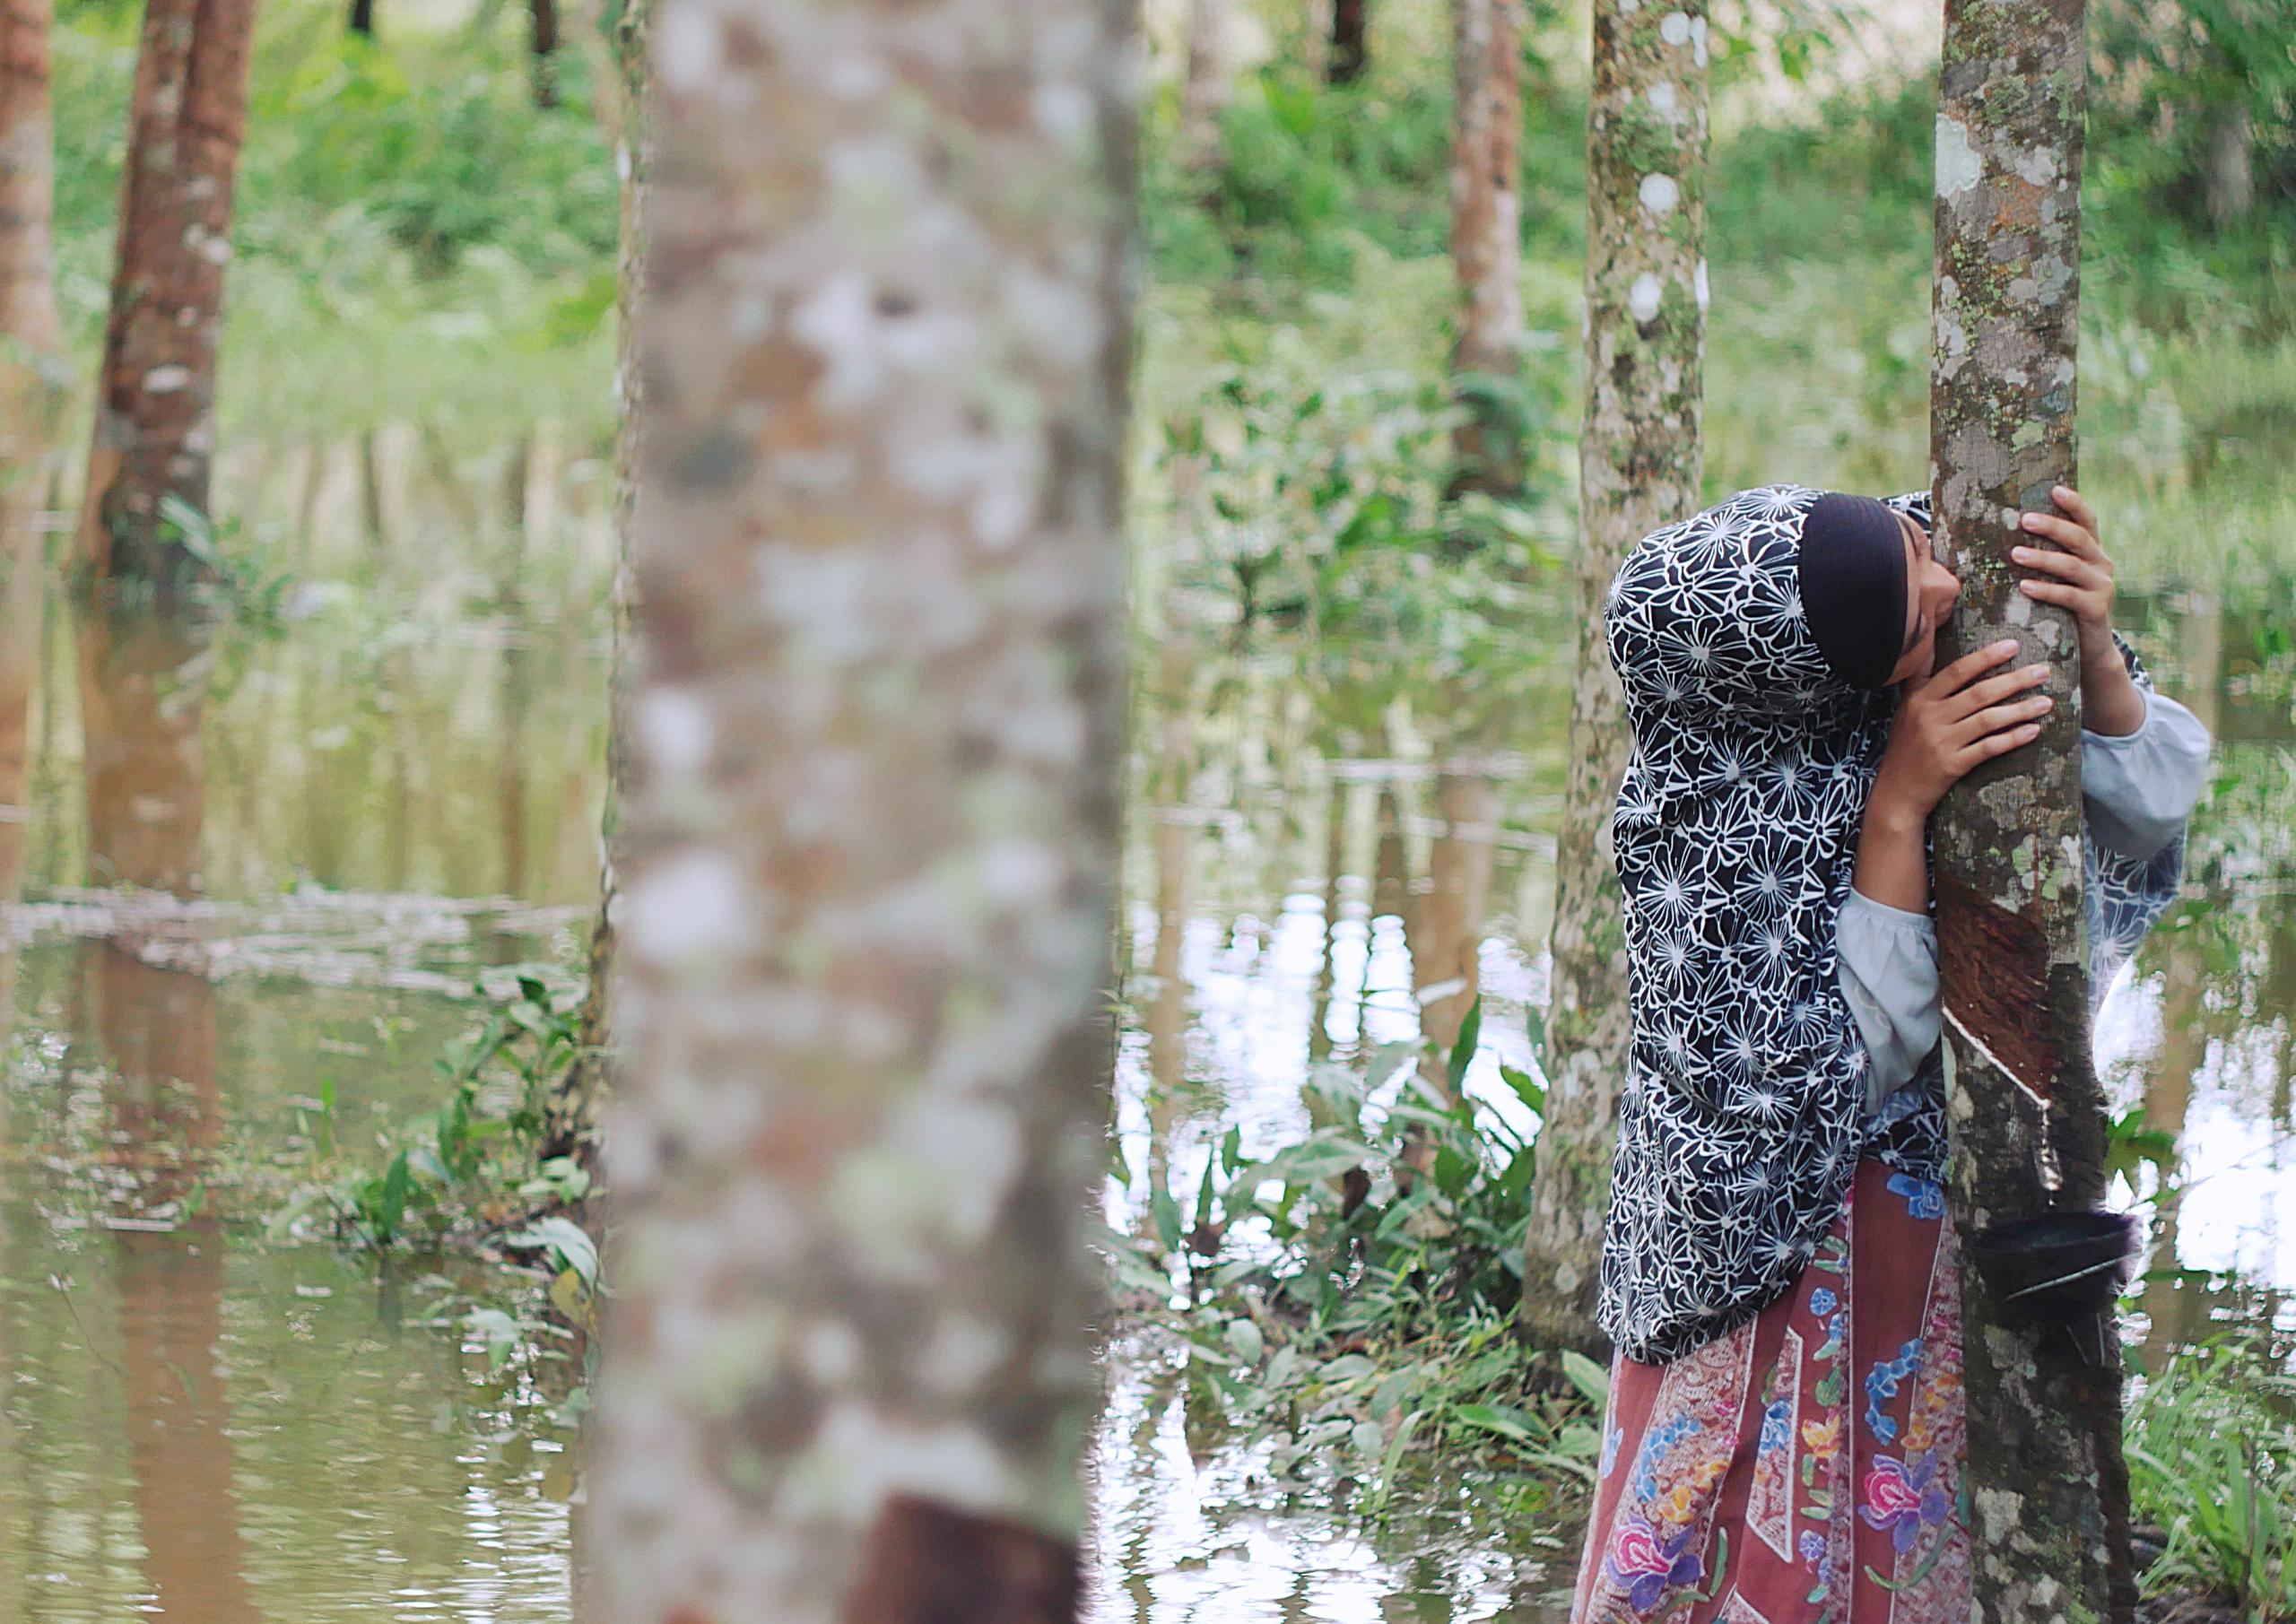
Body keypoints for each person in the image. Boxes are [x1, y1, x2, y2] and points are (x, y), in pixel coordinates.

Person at [1563, 483, 2211, 1623]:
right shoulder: (1704, 820)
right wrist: (1897, 811)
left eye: (1923, 550)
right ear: (1820, 672)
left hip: (1926, 1224)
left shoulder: (1897, 616)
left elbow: (2139, 810)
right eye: (1917, 618)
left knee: (1913, 1531)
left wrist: (2095, 650)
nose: (1952, 595)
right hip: (1775, 1264)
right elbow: (1823, 1066)